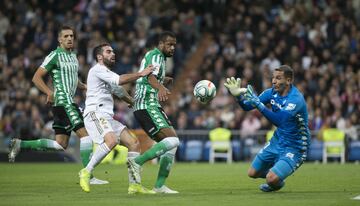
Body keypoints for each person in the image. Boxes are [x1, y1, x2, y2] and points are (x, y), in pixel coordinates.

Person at [8, 26, 107, 185]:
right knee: (85, 135)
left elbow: (74, 81)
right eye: (66, 36)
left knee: (61, 144)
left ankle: (20, 144)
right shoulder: (54, 55)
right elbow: (36, 77)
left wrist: (86, 87)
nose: (69, 39)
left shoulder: (74, 57)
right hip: (63, 101)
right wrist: (48, 92)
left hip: (65, 104)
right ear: (59, 39)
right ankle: (89, 175)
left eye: (72, 36)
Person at [78, 43, 155, 194]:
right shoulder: (97, 70)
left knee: (134, 143)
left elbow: (119, 91)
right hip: (95, 113)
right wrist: (140, 73)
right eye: (108, 52)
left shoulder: (106, 74)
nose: (112, 54)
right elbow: (120, 81)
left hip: (107, 117)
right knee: (111, 140)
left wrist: (133, 102)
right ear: (99, 57)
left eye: (113, 51)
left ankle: (135, 185)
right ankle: (86, 172)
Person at [224, 65, 310, 192]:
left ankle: (275, 179)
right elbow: (247, 106)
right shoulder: (271, 93)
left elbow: (280, 121)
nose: (274, 81)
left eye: (278, 78)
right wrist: (238, 97)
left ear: (288, 80)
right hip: (277, 140)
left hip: (295, 146)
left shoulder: (296, 99)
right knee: (252, 173)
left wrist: (260, 106)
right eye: (273, 78)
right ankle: (277, 177)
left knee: (271, 179)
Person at [128, 31, 180, 194]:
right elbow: (149, 76)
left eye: (174, 45)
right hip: (147, 105)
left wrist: (164, 80)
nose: (172, 48)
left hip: (149, 106)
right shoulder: (156, 55)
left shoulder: (159, 59)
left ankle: (159, 186)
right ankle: (137, 162)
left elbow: (147, 77)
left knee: (171, 145)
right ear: (161, 44)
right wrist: (161, 87)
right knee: (172, 140)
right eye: (169, 44)